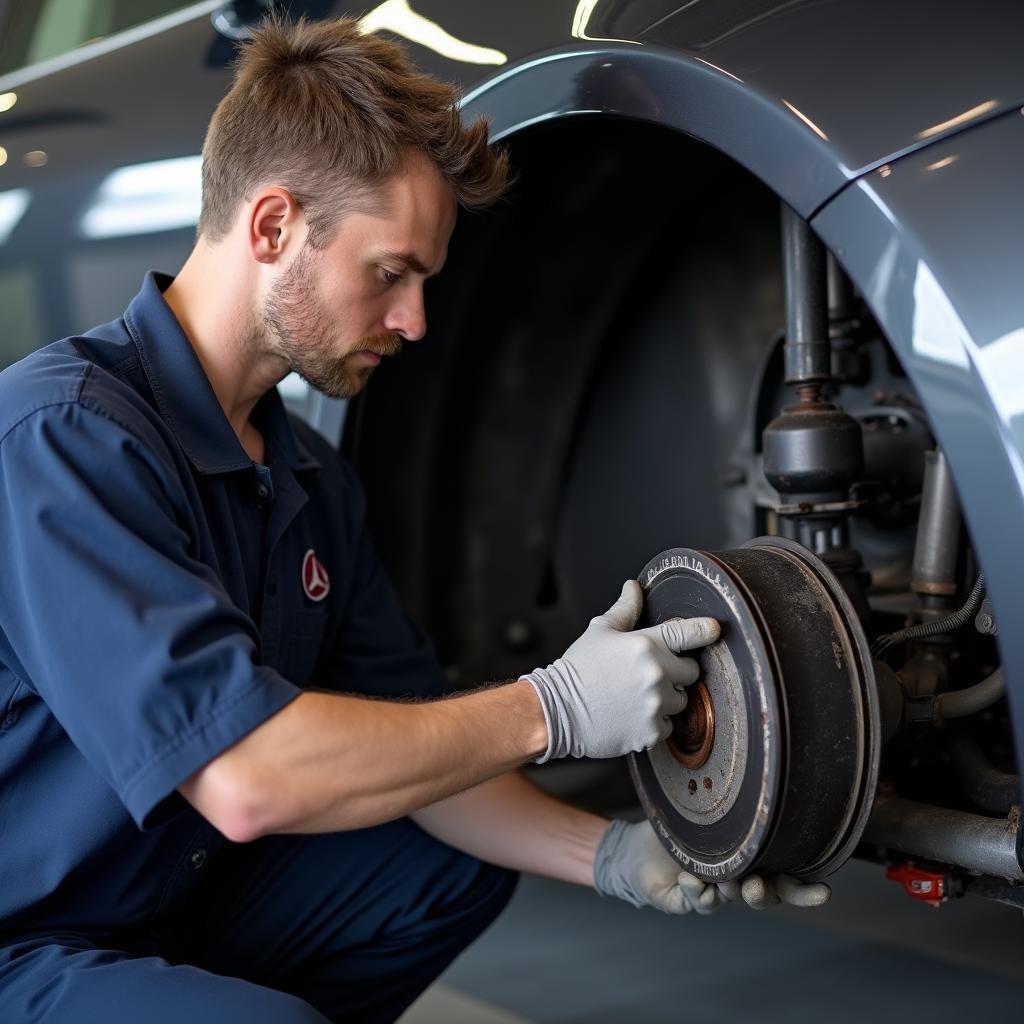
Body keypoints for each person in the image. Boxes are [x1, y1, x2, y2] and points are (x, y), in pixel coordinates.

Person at [0, 16, 827, 1024]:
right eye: (390, 272)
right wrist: (550, 705)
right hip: (23, 938)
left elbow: (425, 764)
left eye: (425, 280)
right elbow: (248, 779)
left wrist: (613, 856)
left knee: (440, 868)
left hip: (157, 899)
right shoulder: (64, 437)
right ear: (271, 228)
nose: (415, 321)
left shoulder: (305, 478)